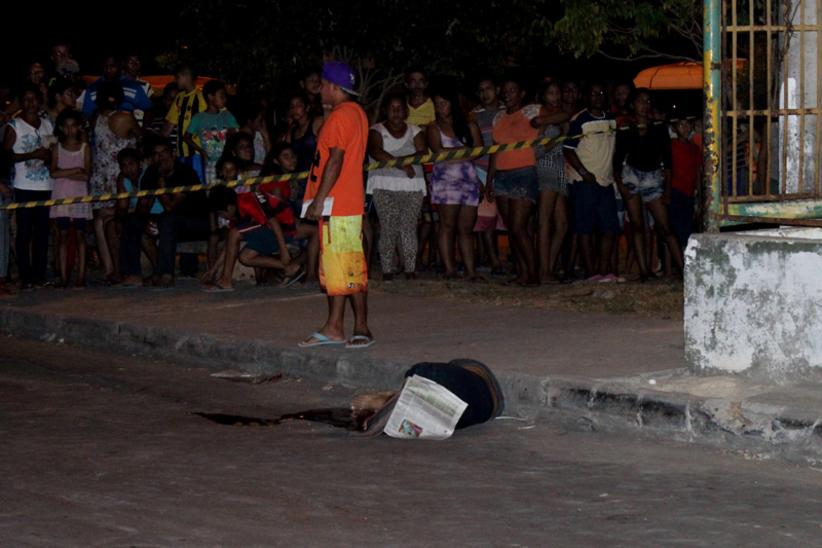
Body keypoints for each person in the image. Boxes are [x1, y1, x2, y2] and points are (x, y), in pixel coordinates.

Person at [299, 61, 372, 349]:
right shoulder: (352, 113)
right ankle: (334, 326)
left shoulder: (343, 116)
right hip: (340, 202)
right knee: (336, 269)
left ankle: (362, 327)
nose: (319, 91)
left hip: (338, 202)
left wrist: (318, 199)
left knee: (349, 268)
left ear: (333, 87)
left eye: (323, 85)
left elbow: (336, 160)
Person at [488, 75, 557, 286]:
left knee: (518, 226)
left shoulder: (532, 111)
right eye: (505, 91)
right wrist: (489, 181)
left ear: (522, 93)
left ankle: (534, 273)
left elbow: (562, 116)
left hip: (524, 173)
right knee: (514, 229)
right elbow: (494, 151)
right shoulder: (498, 117)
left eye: (512, 90)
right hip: (501, 175)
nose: (508, 94)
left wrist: (541, 123)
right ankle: (523, 273)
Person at [613, 89, 683, 281]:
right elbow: (617, 161)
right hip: (632, 177)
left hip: (653, 178)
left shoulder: (659, 127)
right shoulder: (626, 129)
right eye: (641, 101)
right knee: (637, 226)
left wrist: (667, 189)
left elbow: (668, 161)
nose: (645, 105)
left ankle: (685, 271)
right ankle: (644, 271)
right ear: (633, 105)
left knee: (666, 227)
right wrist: (621, 186)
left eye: (647, 101)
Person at [366, 92, 427, 280]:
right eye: (392, 109)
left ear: (406, 111)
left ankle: (410, 269)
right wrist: (402, 164)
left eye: (400, 109)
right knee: (388, 226)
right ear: (385, 110)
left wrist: (398, 162)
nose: (396, 113)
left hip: (412, 185)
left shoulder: (415, 130)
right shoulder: (376, 130)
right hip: (384, 185)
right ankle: (387, 270)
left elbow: (422, 152)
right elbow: (376, 152)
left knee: (408, 227)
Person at [563, 82, 620, 282]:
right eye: (593, 93)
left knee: (609, 228)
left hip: (605, 181)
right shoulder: (579, 120)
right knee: (584, 229)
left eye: (600, 93)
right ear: (586, 97)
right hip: (583, 181)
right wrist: (583, 172)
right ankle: (591, 272)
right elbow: (568, 149)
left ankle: (604, 270)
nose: (597, 97)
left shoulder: (612, 119)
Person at [203, 180, 304, 292]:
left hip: (283, 228)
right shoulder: (236, 213)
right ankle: (291, 268)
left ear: (230, 207)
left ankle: (226, 280)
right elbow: (229, 245)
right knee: (245, 257)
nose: (223, 217)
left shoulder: (246, 201)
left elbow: (273, 221)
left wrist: (283, 250)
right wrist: (214, 269)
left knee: (234, 233)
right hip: (271, 230)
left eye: (222, 213)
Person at [427, 87, 483, 281]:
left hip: (468, 180)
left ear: (453, 104)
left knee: (466, 228)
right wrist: (465, 153)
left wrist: (455, 155)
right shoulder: (433, 127)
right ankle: (450, 269)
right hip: (445, 182)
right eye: (436, 104)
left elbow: (479, 151)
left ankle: (470, 270)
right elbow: (439, 152)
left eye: (443, 103)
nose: (439, 108)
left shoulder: (470, 125)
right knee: (447, 225)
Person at [89, 81, 140, 283]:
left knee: (106, 221)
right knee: (106, 221)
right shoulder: (113, 118)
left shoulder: (105, 118)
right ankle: (114, 268)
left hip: (110, 174)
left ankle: (114, 268)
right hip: (110, 173)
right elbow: (140, 137)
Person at [3, 84, 54, 289]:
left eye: (34, 99)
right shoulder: (14, 126)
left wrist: (49, 158)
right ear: (21, 102)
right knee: (24, 232)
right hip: (23, 185)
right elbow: (5, 156)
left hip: (45, 184)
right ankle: (26, 276)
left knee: (42, 232)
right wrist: (31, 155)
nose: (31, 104)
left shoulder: (47, 125)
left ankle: (39, 274)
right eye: (26, 99)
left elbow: (52, 150)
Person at [146, 138, 211, 287]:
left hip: (199, 222)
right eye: (156, 154)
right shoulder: (151, 172)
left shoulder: (185, 172)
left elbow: (170, 206)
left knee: (167, 219)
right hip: (176, 223)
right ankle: (137, 273)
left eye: (164, 153)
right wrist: (147, 220)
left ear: (173, 154)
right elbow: (144, 203)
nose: (161, 157)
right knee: (138, 222)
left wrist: (161, 183)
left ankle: (166, 274)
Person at [49, 109, 92, 287]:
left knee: (81, 236)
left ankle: (81, 276)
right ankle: (64, 276)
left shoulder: (85, 148)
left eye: (73, 126)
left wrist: (64, 173)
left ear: (79, 127)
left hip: (80, 196)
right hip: (61, 196)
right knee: (63, 235)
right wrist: (75, 170)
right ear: (60, 128)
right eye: (66, 127)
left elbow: (86, 175)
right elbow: (53, 173)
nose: (70, 130)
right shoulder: (57, 148)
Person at [536, 81, 571, 283]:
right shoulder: (541, 118)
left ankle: (548, 266)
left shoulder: (560, 116)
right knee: (544, 221)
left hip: (559, 168)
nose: (555, 96)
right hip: (546, 167)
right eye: (551, 93)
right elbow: (537, 150)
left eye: (558, 92)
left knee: (562, 223)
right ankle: (544, 270)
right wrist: (559, 137)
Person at [470, 76, 505, 276]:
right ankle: (494, 261)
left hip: (507, 169)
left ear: (497, 88)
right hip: (482, 169)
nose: (485, 93)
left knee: (508, 218)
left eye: (488, 88)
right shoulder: (474, 115)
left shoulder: (507, 112)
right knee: (486, 219)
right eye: (481, 89)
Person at [117, 146, 163, 286]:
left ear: (139, 163)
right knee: (116, 225)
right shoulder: (124, 180)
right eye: (124, 166)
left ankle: (138, 272)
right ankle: (122, 271)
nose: (128, 169)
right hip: (139, 216)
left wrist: (128, 215)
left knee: (133, 224)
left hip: (158, 215)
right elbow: (122, 208)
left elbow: (145, 206)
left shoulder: (148, 175)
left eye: (131, 164)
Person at [184, 80, 238, 185]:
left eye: (224, 96)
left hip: (228, 162)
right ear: (210, 97)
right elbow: (186, 137)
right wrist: (201, 151)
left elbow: (236, 134)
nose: (224, 99)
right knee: (214, 193)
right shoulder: (199, 118)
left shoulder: (227, 115)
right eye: (221, 96)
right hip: (211, 164)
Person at [162, 65, 207, 177]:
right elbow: (168, 127)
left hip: (198, 153)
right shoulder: (179, 97)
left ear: (186, 77)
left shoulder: (202, 97)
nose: (175, 80)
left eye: (177, 77)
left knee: (197, 186)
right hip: (180, 153)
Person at [80, 55, 152, 119]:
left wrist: (144, 129)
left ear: (120, 65)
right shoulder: (92, 88)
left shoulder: (133, 86)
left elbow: (148, 109)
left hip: (125, 129)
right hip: (101, 130)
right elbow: (87, 115)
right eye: (105, 67)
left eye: (112, 66)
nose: (108, 70)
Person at [668, 117, 701, 252]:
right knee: (677, 229)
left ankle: (685, 261)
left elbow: (698, 172)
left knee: (687, 228)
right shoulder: (671, 145)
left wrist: (699, 193)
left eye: (687, 124)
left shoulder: (694, 148)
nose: (685, 127)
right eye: (681, 124)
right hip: (675, 192)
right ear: (674, 128)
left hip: (689, 193)